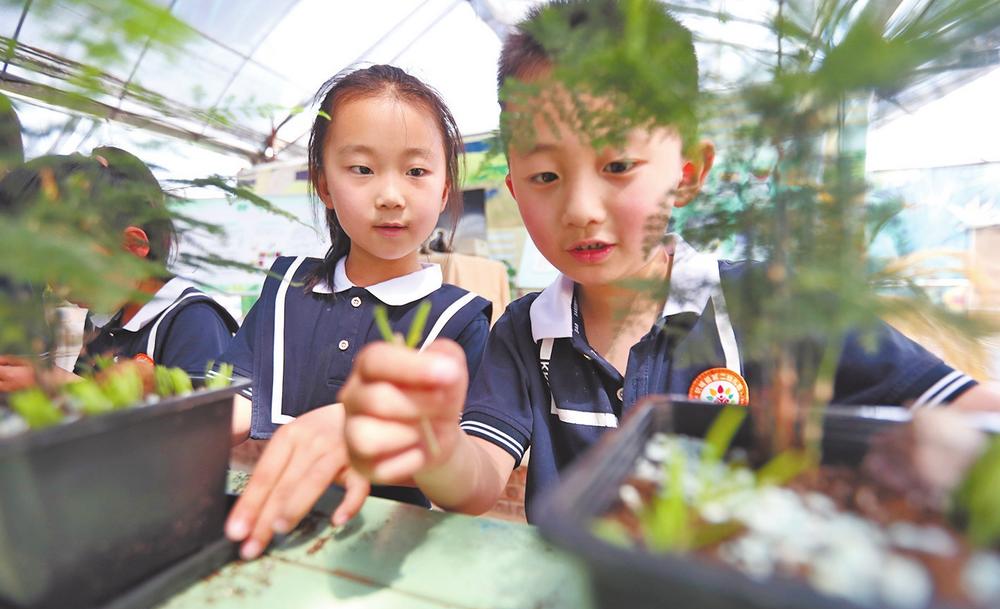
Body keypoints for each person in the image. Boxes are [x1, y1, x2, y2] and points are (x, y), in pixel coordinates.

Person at [336, 0, 1000, 523]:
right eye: (545, 176)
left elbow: (971, 403)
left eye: (618, 165)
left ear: (687, 173)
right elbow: (479, 481)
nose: (581, 209)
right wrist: (437, 447)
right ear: (513, 186)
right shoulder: (523, 333)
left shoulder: (768, 306)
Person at [222, 64, 492, 560]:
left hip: (386, 550)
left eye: (416, 171)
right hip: (272, 529)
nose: (390, 197)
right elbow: (235, 402)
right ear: (324, 185)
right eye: (362, 169)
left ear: (444, 191)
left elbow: (463, 467)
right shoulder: (286, 289)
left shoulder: (458, 319)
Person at [0, 149, 238, 390]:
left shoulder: (193, 321)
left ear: (133, 245)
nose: (57, 286)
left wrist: (55, 382)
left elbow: (204, 411)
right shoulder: (102, 321)